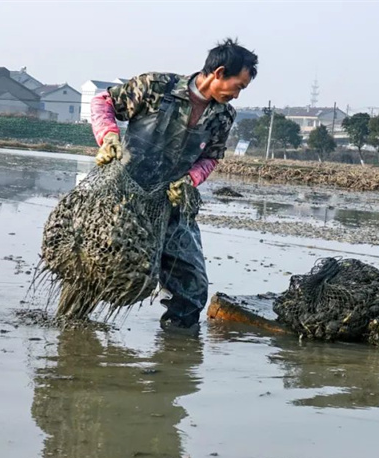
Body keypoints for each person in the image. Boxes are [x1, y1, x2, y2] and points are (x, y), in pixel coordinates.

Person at [89, 39, 258, 335]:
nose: (237, 94)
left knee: (192, 285)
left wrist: (190, 180)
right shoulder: (156, 87)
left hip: (173, 204)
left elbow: (210, 157)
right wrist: (109, 138)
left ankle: (177, 353)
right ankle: (75, 334)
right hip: (125, 195)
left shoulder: (223, 116)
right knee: (104, 266)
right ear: (219, 72)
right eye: (238, 85)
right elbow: (103, 102)